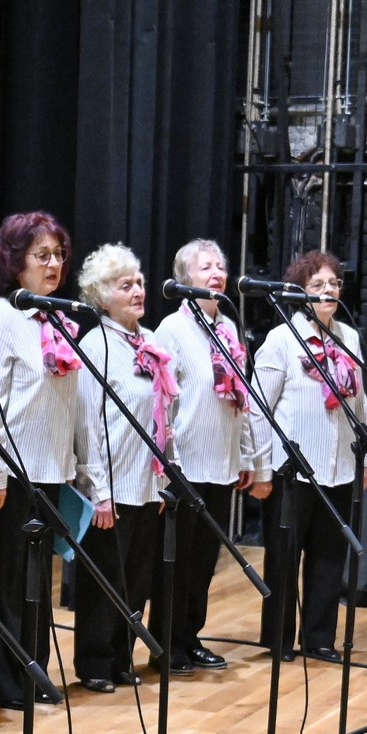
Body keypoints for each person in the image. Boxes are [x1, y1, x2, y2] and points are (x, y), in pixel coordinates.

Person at [0, 212, 82, 707]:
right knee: (7, 583)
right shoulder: (2, 317)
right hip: (12, 474)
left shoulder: (55, 318)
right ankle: (5, 683)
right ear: (16, 262)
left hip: (51, 471)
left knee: (38, 582)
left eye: (59, 254)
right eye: (42, 255)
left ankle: (34, 671)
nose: (54, 264)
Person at [150, 239, 264, 670]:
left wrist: (246, 457)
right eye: (205, 267)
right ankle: (167, 644)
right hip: (184, 464)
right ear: (185, 279)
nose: (216, 273)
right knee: (176, 561)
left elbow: (242, 399)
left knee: (203, 562)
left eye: (220, 266)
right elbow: (161, 403)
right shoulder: (172, 329)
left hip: (222, 462)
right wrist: (166, 463)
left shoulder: (229, 329)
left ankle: (191, 636)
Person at [252, 249, 366, 659]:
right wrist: (260, 468)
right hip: (292, 471)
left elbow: (360, 404)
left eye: (334, 283)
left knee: (329, 557)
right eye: (317, 285)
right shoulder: (282, 340)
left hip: (339, 466)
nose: (328, 290)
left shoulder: (349, 338)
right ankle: (279, 639)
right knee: (284, 558)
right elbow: (258, 407)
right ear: (300, 293)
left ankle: (319, 639)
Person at [68, 244, 166, 693]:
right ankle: (95, 662)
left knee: (137, 578)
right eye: (126, 285)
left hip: (146, 484)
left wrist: (162, 479)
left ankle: (123, 656)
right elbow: (88, 422)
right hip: (112, 485)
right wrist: (99, 490)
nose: (138, 291)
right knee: (104, 579)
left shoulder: (150, 343)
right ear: (102, 296)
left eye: (139, 282)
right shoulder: (96, 345)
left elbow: (163, 415)